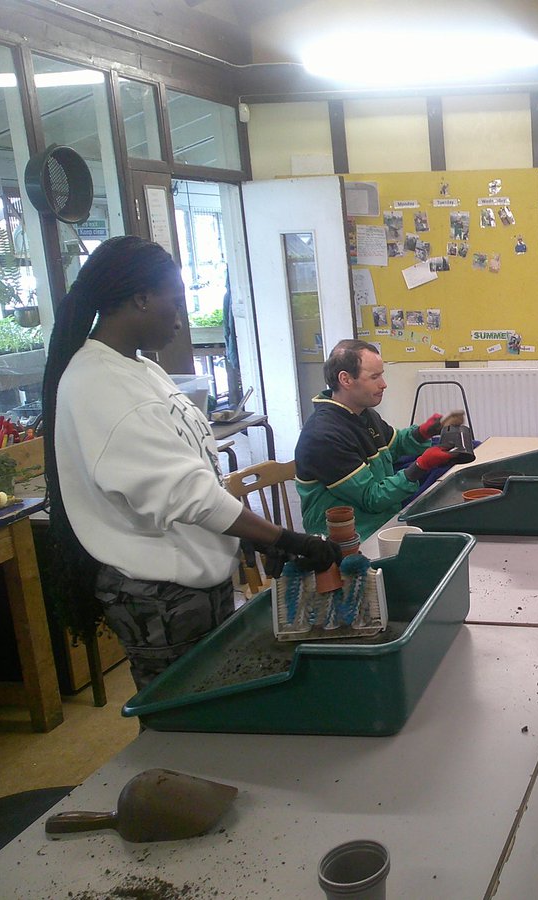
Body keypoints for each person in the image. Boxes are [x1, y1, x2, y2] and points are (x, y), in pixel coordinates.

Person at [42, 236, 341, 692]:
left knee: (213, 698)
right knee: (183, 712)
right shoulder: (98, 385)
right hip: (159, 593)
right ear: (141, 298)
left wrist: (249, 542)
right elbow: (189, 495)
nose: (181, 320)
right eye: (175, 302)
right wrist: (284, 537)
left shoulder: (141, 370)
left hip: (195, 578)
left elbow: (198, 474)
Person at [294, 339, 465, 540]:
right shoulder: (323, 436)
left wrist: (422, 433)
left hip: (384, 518)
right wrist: (421, 466)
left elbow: (394, 445)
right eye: (374, 377)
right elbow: (371, 497)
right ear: (346, 379)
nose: (383, 384)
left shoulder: (363, 414)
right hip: (353, 538)